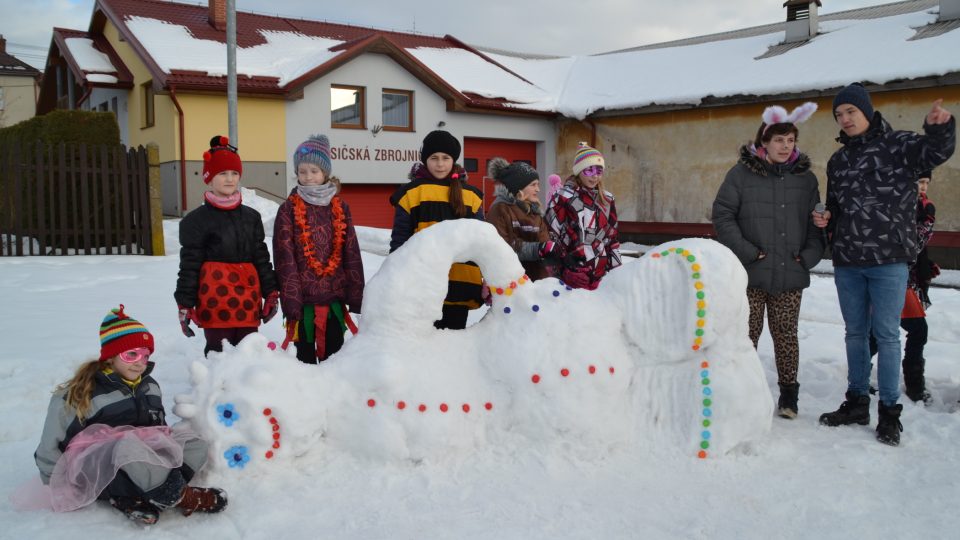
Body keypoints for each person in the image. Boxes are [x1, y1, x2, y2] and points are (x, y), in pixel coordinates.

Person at [815, 83, 955, 446]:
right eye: (839, 114)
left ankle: (890, 413)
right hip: (848, 261)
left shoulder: (900, 145)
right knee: (855, 334)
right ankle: (857, 401)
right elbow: (836, 208)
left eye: (850, 112)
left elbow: (935, 152)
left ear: (867, 111)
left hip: (889, 259)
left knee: (889, 336)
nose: (845, 119)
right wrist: (827, 221)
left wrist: (939, 127)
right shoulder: (838, 161)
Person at [34, 305, 226, 525]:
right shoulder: (81, 392)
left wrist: (164, 448)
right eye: (131, 354)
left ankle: (142, 496)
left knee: (195, 443)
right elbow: (49, 444)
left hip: (140, 463)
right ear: (110, 356)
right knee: (127, 444)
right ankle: (178, 495)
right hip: (99, 473)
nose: (139, 363)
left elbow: (158, 427)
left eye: (145, 356)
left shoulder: (149, 386)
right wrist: (58, 485)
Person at [712, 102, 824, 420]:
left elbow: (816, 220)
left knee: (786, 335)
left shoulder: (806, 179)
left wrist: (809, 257)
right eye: (778, 140)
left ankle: (789, 396)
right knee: (746, 335)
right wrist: (747, 252)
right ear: (764, 141)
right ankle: (741, 392)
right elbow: (722, 214)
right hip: (749, 273)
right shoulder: (741, 174)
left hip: (790, 271)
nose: (784, 146)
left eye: (790, 140)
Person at [175, 136, 280, 356]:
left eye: (234, 173)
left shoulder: (251, 217)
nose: (230, 179)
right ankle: (217, 388)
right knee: (218, 351)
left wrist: (271, 292)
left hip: (247, 300)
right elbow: (190, 265)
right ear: (209, 178)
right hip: (214, 301)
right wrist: (185, 303)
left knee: (249, 351)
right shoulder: (195, 221)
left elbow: (261, 257)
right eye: (222, 173)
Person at [273, 135, 364, 363]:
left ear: (325, 172)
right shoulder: (288, 210)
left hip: (333, 298)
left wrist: (356, 294)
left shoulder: (341, 207)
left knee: (334, 358)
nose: (308, 176)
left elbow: (351, 252)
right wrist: (291, 299)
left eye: (314, 170)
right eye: (302, 171)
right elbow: (284, 257)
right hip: (303, 301)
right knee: (304, 360)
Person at [389, 130, 484, 329]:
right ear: (425, 160)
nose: (440, 164)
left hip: (460, 281)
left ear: (454, 160)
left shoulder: (471, 196)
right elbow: (400, 240)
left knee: (452, 347)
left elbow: (481, 242)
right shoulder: (412, 193)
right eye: (434, 158)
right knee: (425, 348)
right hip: (423, 283)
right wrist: (395, 276)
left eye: (445, 158)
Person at [868, 169, 938, 403]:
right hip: (895, 277)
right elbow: (910, 246)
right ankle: (914, 386)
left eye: (927, 182)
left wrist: (926, 266)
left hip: (908, 278)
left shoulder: (920, 205)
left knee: (882, 330)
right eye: (919, 181)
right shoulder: (901, 206)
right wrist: (927, 223)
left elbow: (917, 252)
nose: (924, 187)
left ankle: (860, 377)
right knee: (915, 330)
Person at [544, 142, 621, 290]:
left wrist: (617, 272)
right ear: (579, 171)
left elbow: (612, 238)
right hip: (573, 273)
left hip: (601, 275)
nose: (595, 176)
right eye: (589, 171)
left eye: (599, 171)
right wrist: (563, 269)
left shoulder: (607, 199)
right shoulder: (563, 198)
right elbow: (551, 236)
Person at [485, 157, 557, 281]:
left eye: (538, 185)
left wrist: (555, 252)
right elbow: (501, 248)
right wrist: (538, 249)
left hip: (537, 280)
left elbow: (544, 243)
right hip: (511, 282)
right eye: (533, 185)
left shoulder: (535, 211)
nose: (538, 189)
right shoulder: (500, 209)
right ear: (518, 187)